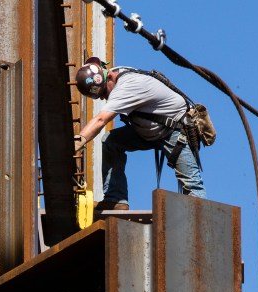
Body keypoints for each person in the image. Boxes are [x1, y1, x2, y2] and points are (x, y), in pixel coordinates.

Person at [73, 57, 206, 212]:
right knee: (111, 142)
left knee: (192, 185)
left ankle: (198, 219)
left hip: (174, 131)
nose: (104, 97)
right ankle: (115, 199)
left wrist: (76, 143)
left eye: (103, 92)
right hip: (148, 131)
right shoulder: (116, 73)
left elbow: (101, 119)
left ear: (109, 77)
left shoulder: (127, 86)